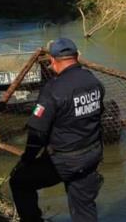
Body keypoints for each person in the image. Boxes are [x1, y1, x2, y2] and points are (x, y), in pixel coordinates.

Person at [9, 38, 105, 222]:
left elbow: (38, 132)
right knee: (83, 208)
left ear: (53, 60)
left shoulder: (53, 89)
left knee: (19, 182)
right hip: (91, 154)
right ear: (76, 57)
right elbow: (98, 114)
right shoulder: (93, 81)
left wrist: (27, 159)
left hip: (65, 160)